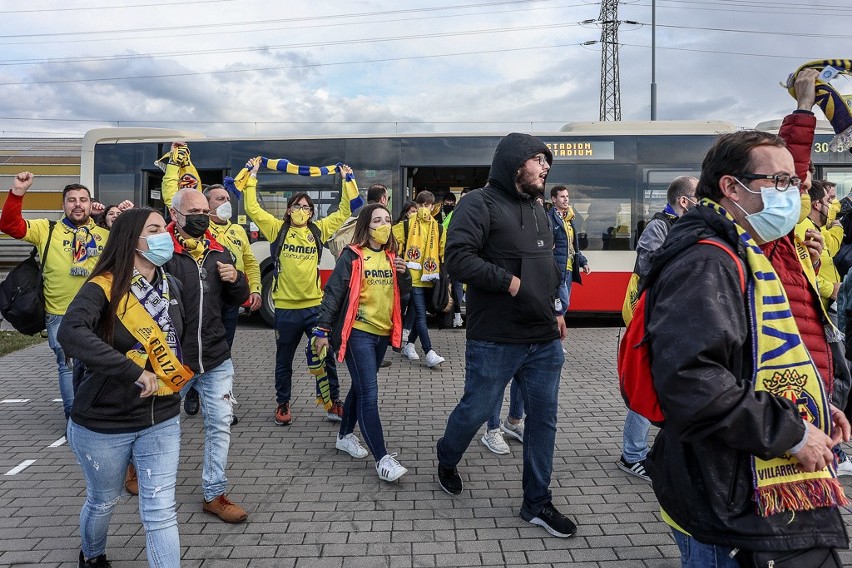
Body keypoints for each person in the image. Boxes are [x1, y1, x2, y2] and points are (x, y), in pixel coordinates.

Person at [645, 129, 850, 567]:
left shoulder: (745, 250)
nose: (791, 193)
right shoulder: (708, 260)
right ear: (731, 188)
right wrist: (792, 433)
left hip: (737, 481)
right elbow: (692, 381)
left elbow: (755, 357)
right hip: (721, 493)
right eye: (777, 181)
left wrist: (809, 405)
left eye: (794, 182)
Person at [437, 133, 576, 538]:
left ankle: (536, 502)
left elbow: (549, 263)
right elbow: (458, 259)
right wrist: (509, 283)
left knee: (544, 420)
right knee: (476, 410)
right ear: (515, 163)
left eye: (547, 161)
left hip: (544, 338)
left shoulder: (538, 208)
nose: (545, 167)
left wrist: (557, 308)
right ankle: (447, 456)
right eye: (538, 159)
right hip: (495, 338)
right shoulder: (476, 204)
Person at [58, 208, 185, 568]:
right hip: (104, 421)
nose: (165, 234)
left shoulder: (170, 284)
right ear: (133, 239)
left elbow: (185, 339)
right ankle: (93, 556)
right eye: (156, 229)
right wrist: (130, 370)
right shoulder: (102, 287)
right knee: (103, 500)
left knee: (160, 509)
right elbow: (71, 332)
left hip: (160, 416)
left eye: (165, 227)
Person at [242, 159, 352, 426]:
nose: (302, 210)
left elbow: (344, 210)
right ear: (289, 210)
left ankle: (332, 402)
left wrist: (348, 180)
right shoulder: (276, 229)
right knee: (284, 361)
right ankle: (283, 404)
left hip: (315, 309)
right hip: (285, 309)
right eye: (297, 206)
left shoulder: (319, 229)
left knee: (324, 360)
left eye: (306, 207)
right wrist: (253, 175)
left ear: (311, 213)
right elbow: (252, 207)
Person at [165, 188, 250, 523]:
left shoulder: (219, 252)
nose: (203, 216)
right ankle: (136, 470)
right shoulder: (163, 254)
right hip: (172, 359)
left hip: (215, 357)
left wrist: (237, 279)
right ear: (175, 215)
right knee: (158, 423)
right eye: (195, 211)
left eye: (205, 210)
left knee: (220, 425)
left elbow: (237, 300)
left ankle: (214, 494)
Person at [314, 203, 412, 481]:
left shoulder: (393, 256)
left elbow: (403, 296)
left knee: (360, 386)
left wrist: (405, 276)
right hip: (358, 333)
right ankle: (382, 459)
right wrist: (322, 330)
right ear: (366, 227)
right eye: (376, 221)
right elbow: (333, 293)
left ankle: (344, 436)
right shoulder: (353, 256)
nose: (383, 225)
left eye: (387, 220)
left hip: (382, 334)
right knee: (369, 391)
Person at [0, 172, 109, 419]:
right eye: (71, 200)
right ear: (63, 205)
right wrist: (17, 192)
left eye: (83, 199)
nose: (78, 204)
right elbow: (10, 226)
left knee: (99, 363)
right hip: (60, 313)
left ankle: (96, 411)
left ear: (91, 205)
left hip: (100, 312)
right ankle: (74, 416)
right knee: (68, 365)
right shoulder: (46, 229)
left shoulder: (105, 233)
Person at [617, 176, 697, 482]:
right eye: (697, 197)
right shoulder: (659, 227)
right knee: (648, 383)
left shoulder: (687, 225)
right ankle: (632, 454)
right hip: (657, 318)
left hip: (679, 317)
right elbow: (647, 267)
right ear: (683, 201)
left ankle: (665, 451)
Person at [182, 184, 263, 420]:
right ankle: (192, 392)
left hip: (230, 301)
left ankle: (220, 404)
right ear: (207, 205)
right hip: (205, 301)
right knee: (194, 349)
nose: (226, 202)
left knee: (222, 353)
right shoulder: (201, 230)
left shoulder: (238, 231)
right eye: (220, 198)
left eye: (227, 198)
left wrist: (255, 289)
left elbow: (250, 262)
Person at [393, 190, 446, 368]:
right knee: (421, 316)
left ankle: (409, 345)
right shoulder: (407, 225)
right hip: (413, 278)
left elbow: (443, 252)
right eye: (421, 205)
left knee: (417, 313)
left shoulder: (439, 228)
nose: (424, 208)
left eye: (427, 205)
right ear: (417, 205)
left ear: (433, 207)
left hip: (430, 279)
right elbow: (392, 239)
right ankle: (429, 352)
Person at [548, 186, 590, 317]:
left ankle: (556, 334)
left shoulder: (569, 219)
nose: (566, 199)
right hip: (557, 268)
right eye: (562, 196)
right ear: (554, 199)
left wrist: (583, 262)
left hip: (569, 268)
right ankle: (553, 333)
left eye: (567, 196)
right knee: (562, 304)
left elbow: (572, 245)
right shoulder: (549, 218)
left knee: (563, 306)